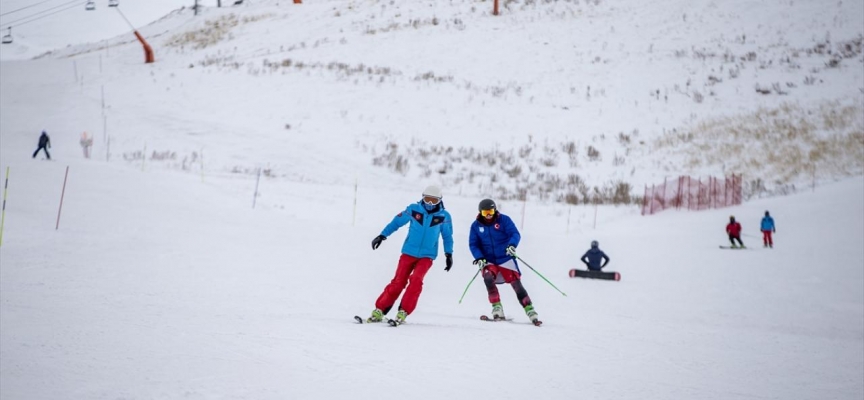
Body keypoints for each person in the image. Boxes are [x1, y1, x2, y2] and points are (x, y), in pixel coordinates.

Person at [366, 185, 454, 325]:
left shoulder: (444, 216)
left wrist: (448, 254)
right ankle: (380, 309)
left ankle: (403, 311)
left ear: (440, 201)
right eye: (427, 199)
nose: (430, 204)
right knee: (398, 281)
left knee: (416, 280)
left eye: (434, 200)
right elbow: (396, 222)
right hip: (408, 252)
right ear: (422, 197)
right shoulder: (414, 209)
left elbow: (447, 236)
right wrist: (382, 235)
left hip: (427, 255)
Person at [468, 198, 540, 324]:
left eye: (491, 211)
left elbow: (515, 234)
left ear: (495, 210)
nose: (489, 215)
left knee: (516, 283)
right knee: (488, 277)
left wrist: (512, 245)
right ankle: (497, 307)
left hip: (505, 257)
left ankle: (529, 309)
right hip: (488, 259)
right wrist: (479, 257)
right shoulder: (476, 226)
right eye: (485, 213)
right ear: (480, 213)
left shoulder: (504, 220)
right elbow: (473, 244)